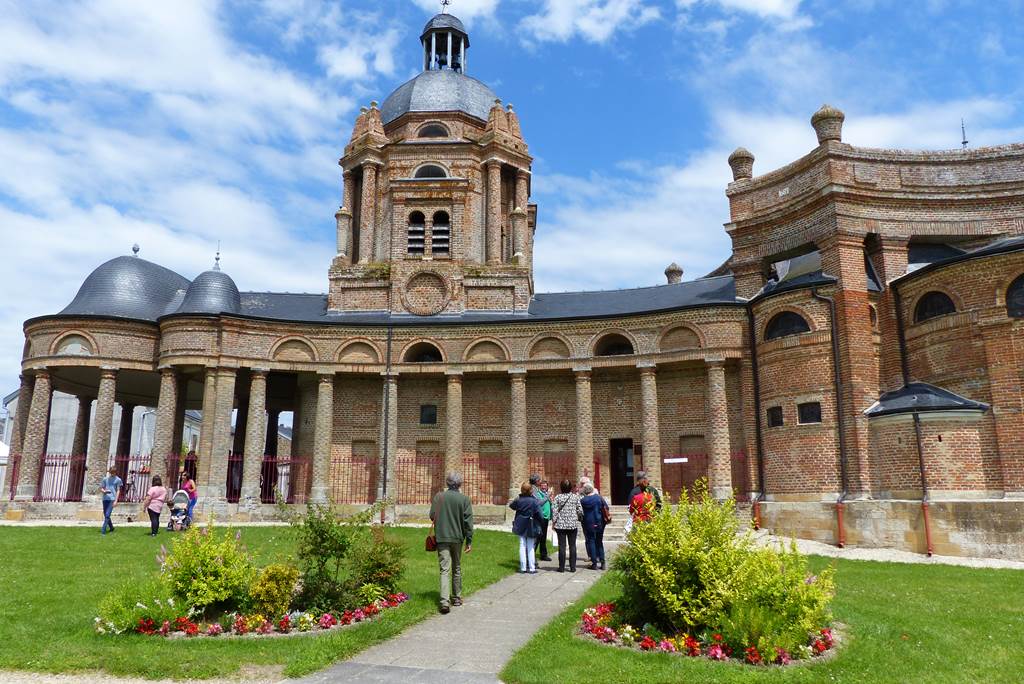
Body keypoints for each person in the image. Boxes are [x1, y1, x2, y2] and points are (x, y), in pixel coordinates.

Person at [429, 472, 474, 614]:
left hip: (442, 537)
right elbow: (468, 522)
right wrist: (469, 541)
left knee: (444, 569)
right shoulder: (464, 499)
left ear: (447, 483)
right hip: (457, 538)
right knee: (457, 567)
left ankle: (444, 602)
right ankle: (456, 597)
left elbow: (432, 516)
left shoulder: (439, 497)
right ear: (459, 484)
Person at [509, 482, 543, 574]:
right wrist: (540, 521)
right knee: (531, 546)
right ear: (530, 491)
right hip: (531, 524)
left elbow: (511, 506)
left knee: (522, 545)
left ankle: (523, 567)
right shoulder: (534, 501)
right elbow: (540, 515)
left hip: (520, 524)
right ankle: (532, 568)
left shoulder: (519, 499)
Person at [551, 479, 584, 573]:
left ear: (561, 487)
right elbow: (580, 511)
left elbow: (554, 511)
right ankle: (573, 567)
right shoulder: (575, 497)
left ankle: (561, 567)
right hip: (572, 524)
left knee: (562, 546)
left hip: (560, 525)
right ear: (570, 488)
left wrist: (554, 522)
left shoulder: (558, 497)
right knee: (572, 545)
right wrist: (578, 517)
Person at [580, 483, 609, 570]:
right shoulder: (598, 498)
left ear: (585, 491)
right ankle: (603, 562)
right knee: (599, 542)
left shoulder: (583, 501)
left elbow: (581, 512)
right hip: (600, 521)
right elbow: (606, 507)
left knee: (591, 541)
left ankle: (594, 563)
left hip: (589, 523)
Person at [530, 474, 553, 562]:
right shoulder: (536, 492)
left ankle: (543, 554)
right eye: (542, 485)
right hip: (540, 517)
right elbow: (539, 503)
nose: (543, 487)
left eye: (545, 486)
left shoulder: (545, 493)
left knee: (543, 537)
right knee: (538, 536)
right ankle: (532, 555)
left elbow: (549, 505)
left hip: (546, 517)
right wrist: (547, 497)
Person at [99, 466, 123, 535]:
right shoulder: (105, 479)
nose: (112, 474)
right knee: (106, 514)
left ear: (115, 473)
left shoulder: (118, 480)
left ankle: (103, 531)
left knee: (107, 514)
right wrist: (104, 491)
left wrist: (116, 500)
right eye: (111, 473)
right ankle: (111, 527)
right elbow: (101, 488)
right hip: (105, 498)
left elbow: (118, 490)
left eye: (113, 473)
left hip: (112, 499)